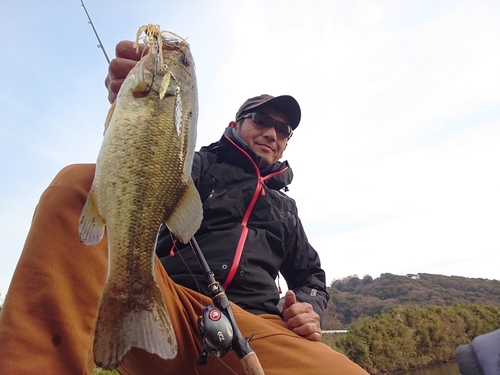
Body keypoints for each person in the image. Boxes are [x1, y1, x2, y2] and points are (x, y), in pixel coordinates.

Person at [0, 40, 368, 375]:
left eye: (284, 130)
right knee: (80, 184)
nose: (273, 133)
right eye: (262, 120)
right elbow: (140, 165)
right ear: (235, 125)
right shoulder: (195, 164)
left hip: (255, 330)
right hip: (167, 304)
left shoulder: (287, 211)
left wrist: (307, 307)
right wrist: (135, 101)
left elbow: (312, 278)